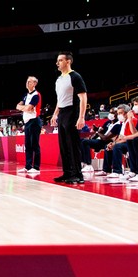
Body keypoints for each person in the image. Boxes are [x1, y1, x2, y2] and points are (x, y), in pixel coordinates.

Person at [50, 52, 88, 184]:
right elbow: (59, 99)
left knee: (73, 145)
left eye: (60, 60)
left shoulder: (75, 76)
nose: (57, 63)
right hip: (62, 113)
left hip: (73, 112)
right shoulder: (59, 79)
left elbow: (83, 97)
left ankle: (78, 174)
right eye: (57, 60)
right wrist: (55, 114)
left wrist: (81, 117)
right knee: (64, 145)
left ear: (68, 61)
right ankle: (67, 173)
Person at [16, 75, 42, 173]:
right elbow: (18, 106)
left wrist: (23, 107)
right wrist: (24, 107)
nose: (27, 83)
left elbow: (28, 108)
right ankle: (28, 166)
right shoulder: (26, 95)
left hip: (34, 121)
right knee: (28, 145)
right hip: (27, 123)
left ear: (34, 83)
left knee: (35, 145)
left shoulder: (36, 95)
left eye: (29, 81)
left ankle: (36, 167)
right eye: (27, 81)